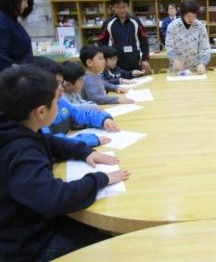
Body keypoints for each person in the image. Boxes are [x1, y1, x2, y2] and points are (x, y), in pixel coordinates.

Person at [0, 65, 130, 261]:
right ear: (41, 112)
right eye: (56, 99)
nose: (60, 101)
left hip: (35, 222)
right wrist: (100, 179)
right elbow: (55, 199)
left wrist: (83, 152)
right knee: (116, 247)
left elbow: (50, 143)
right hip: (31, 244)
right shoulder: (20, 153)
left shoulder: (15, 126)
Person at [24, 56, 118, 148]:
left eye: (61, 84)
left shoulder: (60, 102)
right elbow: (50, 143)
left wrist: (103, 120)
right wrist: (88, 140)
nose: (61, 89)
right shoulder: (36, 116)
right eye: (56, 85)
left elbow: (81, 114)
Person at [97, 0, 151, 73]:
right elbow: (101, 43)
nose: (122, 10)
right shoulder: (108, 23)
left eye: (124, 7)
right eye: (118, 7)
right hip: (115, 65)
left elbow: (144, 41)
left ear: (128, 6)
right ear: (112, 7)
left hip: (135, 63)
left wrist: (145, 59)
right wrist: (107, 58)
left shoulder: (136, 21)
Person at [0, 0, 35, 71]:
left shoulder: (10, 19)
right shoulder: (2, 21)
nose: (26, 5)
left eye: (27, 0)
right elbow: (2, 59)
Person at [165, 0, 211, 74]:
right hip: (177, 69)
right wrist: (175, 60)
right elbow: (169, 46)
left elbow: (205, 48)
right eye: (189, 16)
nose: (191, 19)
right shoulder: (173, 26)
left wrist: (202, 63)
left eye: (194, 16)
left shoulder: (200, 26)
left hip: (196, 69)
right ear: (183, 14)